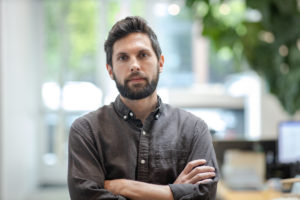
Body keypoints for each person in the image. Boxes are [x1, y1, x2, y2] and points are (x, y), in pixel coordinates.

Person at [68, 16, 219, 200]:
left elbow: (205, 195)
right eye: (123, 58)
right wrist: (172, 193)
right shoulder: (86, 131)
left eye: (143, 55)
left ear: (160, 63)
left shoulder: (194, 129)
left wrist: (123, 186)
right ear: (110, 70)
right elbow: (85, 196)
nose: (134, 65)